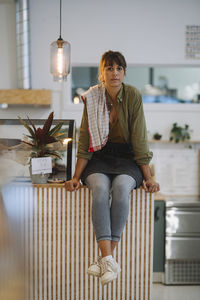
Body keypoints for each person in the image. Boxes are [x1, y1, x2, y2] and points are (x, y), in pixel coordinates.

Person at [65, 50, 160, 285]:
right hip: (99, 157)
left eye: (119, 68)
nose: (114, 73)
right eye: (109, 68)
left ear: (124, 72)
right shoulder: (92, 98)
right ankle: (108, 259)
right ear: (102, 73)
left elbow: (139, 139)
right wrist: (76, 177)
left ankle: (105, 260)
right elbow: (85, 140)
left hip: (128, 159)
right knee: (98, 189)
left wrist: (147, 177)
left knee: (120, 188)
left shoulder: (133, 95)